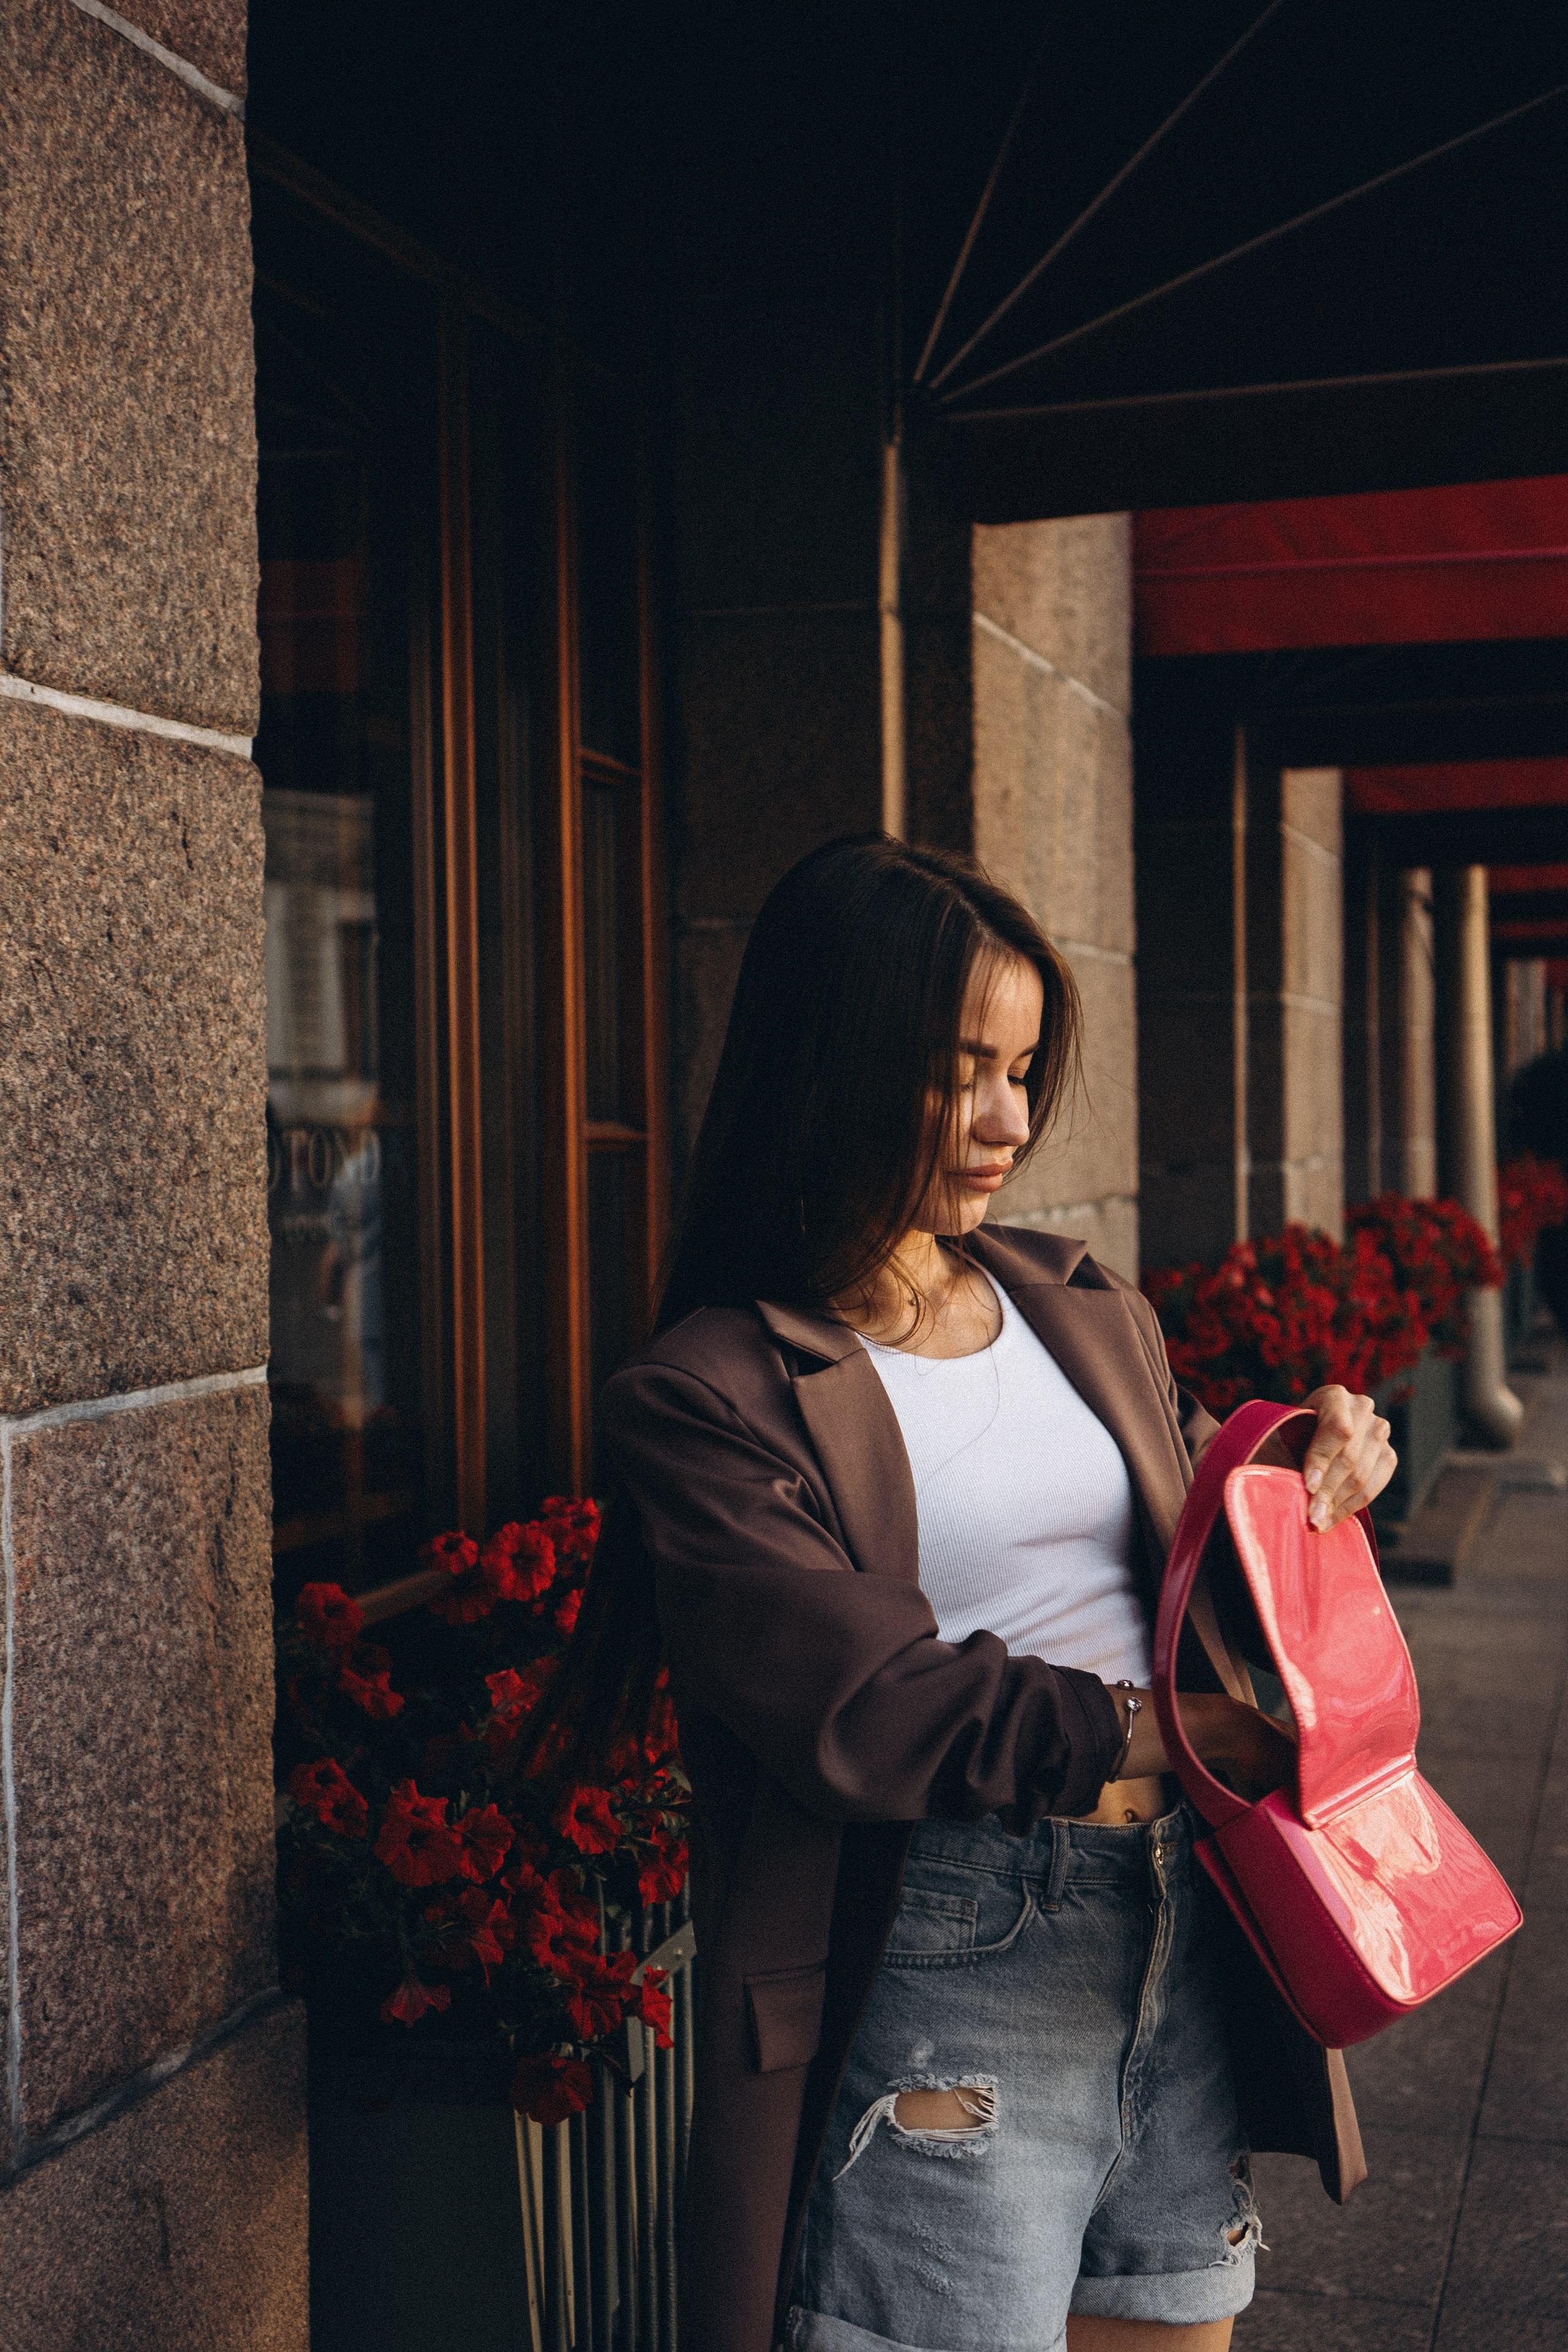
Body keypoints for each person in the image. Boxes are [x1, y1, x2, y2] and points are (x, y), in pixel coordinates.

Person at [567, 838, 1395, 2352]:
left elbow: (1198, 1527)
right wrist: (1186, 1726)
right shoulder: (706, 1394)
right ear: (835, 1067)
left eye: (1022, 1069)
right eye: (961, 1072)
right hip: (952, 1952)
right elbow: (865, 1704)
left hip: (1176, 1930)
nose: (1006, 1121)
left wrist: (1309, 1465)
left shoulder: (1071, 1299)